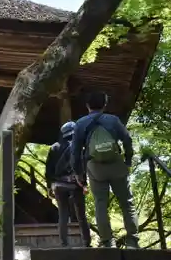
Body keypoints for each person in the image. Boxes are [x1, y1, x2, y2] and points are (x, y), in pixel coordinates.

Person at [71, 91, 139, 248]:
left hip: (95, 168)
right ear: (105, 104)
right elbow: (127, 139)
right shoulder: (113, 120)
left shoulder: (80, 124)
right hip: (116, 165)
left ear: (87, 105)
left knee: (100, 204)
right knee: (127, 203)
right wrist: (127, 160)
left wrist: (79, 175)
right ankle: (132, 241)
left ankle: (108, 242)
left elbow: (75, 152)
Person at [46, 121, 91, 248]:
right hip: (75, 184)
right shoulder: (79, 148)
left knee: (63, 214)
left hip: (59, 185)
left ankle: (63, 243)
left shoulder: (54, 147)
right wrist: (84, 184)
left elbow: (48, 169)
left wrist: (49, 186)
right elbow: (82, 168)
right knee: (81, 214)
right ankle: (86, 242)